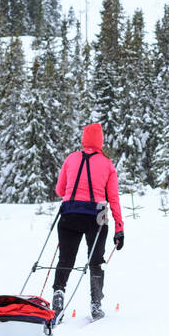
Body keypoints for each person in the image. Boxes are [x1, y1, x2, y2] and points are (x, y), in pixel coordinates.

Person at [52, 122, 124, 319]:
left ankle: (58, 295)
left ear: (84, 139)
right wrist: (119, 228)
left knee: (65, 259)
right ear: (100, 141)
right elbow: (113, 198)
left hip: (69, 213)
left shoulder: (71, 158)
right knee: (96, 261)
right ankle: (96, 303)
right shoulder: (107, 164)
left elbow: (60, 190)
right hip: (97, 215)